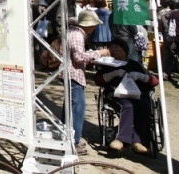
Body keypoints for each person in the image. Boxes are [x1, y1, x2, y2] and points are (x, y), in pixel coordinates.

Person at [93, 37, 158, 153]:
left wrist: (141, 76)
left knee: (144, 105)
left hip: (137, 94)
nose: (113, 49)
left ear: (125, 51)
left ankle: (139, 141)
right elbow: (98, 80)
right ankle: (121, 140)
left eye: (116, 47)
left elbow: (154, 81)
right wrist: (113, 74)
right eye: (111, 47)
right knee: (128, 106)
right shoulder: (107, 64)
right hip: (116, 95)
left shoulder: (135, 65)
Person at [64, 9, 110, 155]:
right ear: (89, 25)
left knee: (70, 108)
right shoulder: (77, 35)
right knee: (77, 110)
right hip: (74, 75)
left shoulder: (73, 32)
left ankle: (69, 139)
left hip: (70, 74)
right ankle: (73, 142)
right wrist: (98, 53)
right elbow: (78, 57)